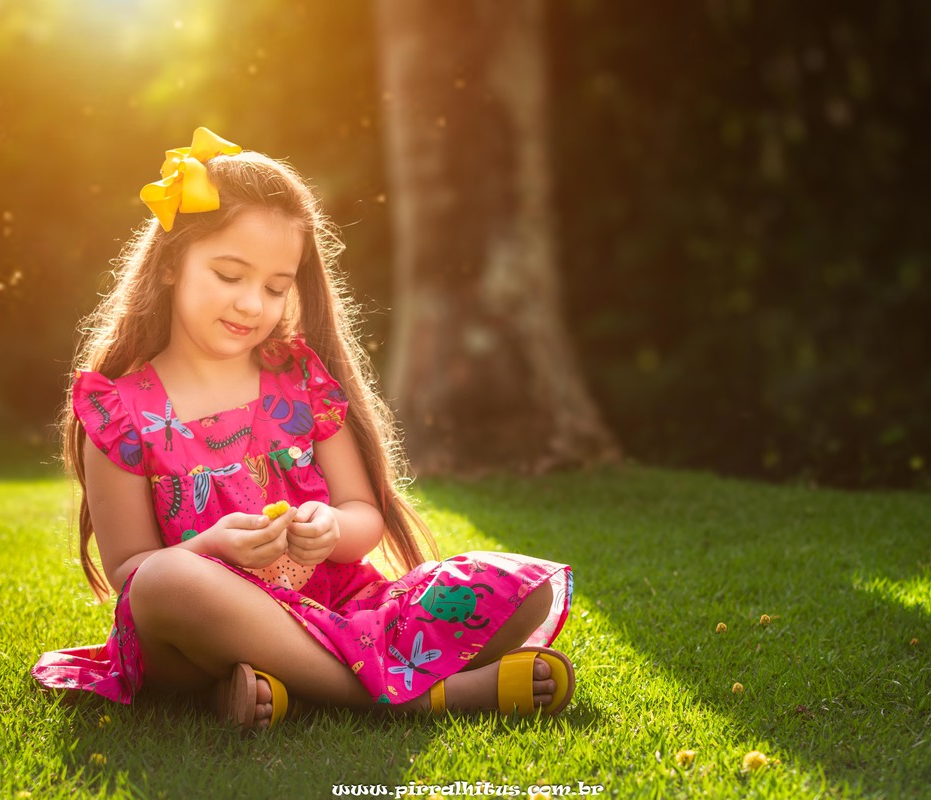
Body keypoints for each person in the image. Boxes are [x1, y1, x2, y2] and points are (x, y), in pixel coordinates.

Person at [31, 127, 575, 731]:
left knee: (524, 588)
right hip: (192, 636)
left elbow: (362, 515)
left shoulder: (299, 381)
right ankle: (406, 697)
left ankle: (277, 685)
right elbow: (132, 572)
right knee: (165, 582)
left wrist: (331, 527)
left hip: (337, 607)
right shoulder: (119, 412)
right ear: (169, 266)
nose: (251, 305)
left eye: (274, 287)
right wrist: (210, 549)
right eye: (229, 275)